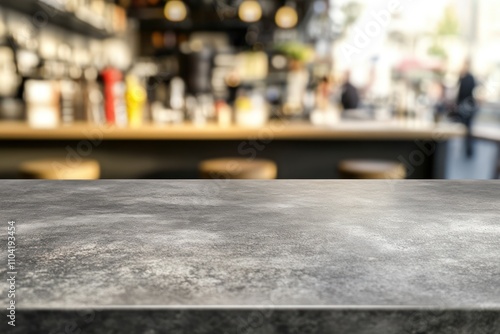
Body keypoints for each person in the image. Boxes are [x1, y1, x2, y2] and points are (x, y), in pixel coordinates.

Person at [456, 60, 478, 158]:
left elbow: (467, 92)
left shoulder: (469, 78)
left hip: (467, 106)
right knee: (466, 128)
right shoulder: (464, 77)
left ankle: (468, 150)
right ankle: (467, 149)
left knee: (467, 128)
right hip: (465, 105)